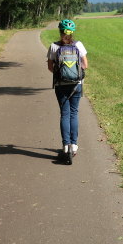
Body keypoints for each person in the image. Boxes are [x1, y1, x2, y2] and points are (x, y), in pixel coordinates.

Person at [47, 19, 88, 159]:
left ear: (60, 31)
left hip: (60, 85)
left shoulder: (54, 47)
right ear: (72, 32)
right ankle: (74, 145)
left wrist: (62, 75)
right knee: (74, 113)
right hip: (77, 85)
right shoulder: (78, 45)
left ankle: (65, 146)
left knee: (64, 114)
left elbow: (50, 67)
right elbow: (85, 65)